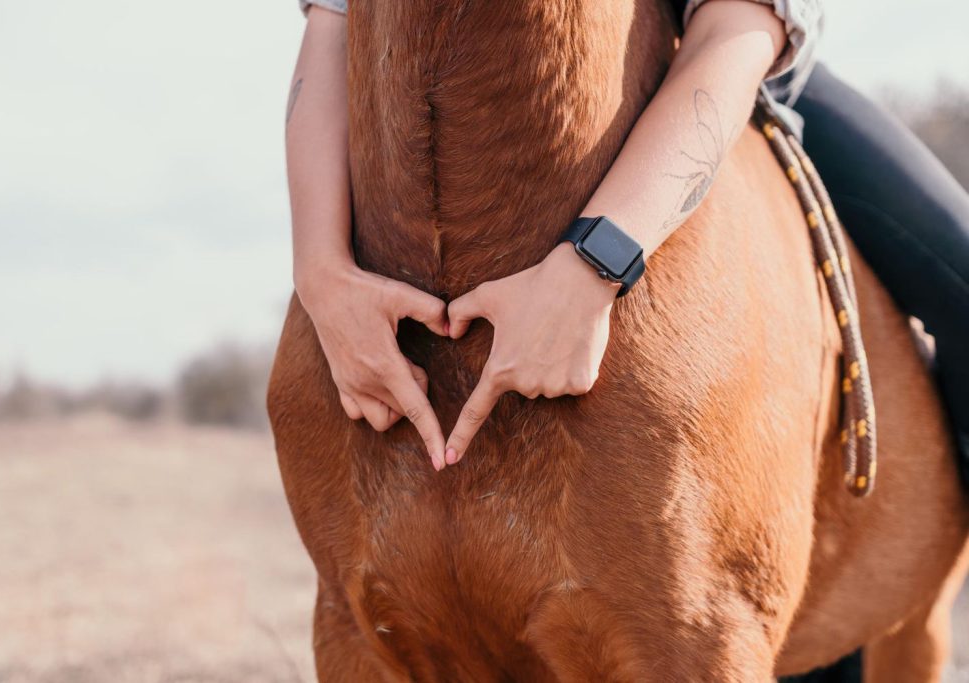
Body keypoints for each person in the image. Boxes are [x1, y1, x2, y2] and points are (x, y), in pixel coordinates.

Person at [285, 0, 969, 478]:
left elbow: (737, 23)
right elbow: (335, 21)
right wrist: (320, 272)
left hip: (717, 63)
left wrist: (593, 265)